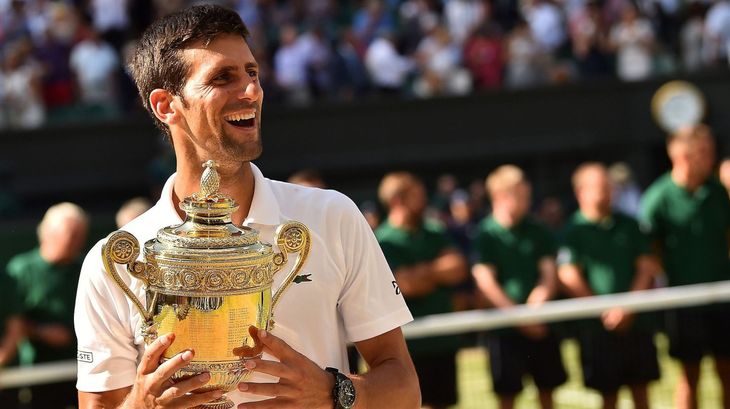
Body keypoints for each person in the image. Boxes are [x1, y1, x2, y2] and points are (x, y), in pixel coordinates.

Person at [74, 5, 419, 409]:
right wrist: (142, 405)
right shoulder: (109, 262)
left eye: (252, 73)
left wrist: (334, 393)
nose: (252, 91)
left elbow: (404, 389)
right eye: (223, 77)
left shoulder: (332, 216)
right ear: (166, 105)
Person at [640, 124, 730, 409]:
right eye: (704, 152)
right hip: (682, 302)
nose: (711, 158)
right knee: (689, 375)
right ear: (683, 156)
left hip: (722, 298)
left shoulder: (717, 192)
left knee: (728, 372)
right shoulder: (659, 198)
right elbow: (648, 253)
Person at [558, 163, 660, 409]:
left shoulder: (630, 225)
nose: (606, 192)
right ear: (581, 191)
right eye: (600, 187)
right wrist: (603, 310)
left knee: (641, 391)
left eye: (609, 186)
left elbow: (647, 267)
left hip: (636, 324)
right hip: (598, 329)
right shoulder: (573, 231)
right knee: (608, 395)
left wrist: (628, 307)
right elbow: (569, 274)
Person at [471, 165, 566, 409]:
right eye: (521, 196)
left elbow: (548, 275)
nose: (527, 202)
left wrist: (538, 303)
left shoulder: (539, 230)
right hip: (504, 331)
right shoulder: (486, 234)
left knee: (548, 391)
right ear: (501, 196)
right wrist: (518, 316)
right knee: (507, 396)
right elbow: (485, 281)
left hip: (539, 323)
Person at [375, 171, 468, 409]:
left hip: (442, 340)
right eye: (417, 195)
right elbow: (404, 285)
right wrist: (437, 273)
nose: (424, 199)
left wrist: (421, 274)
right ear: (398, 200)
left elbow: (458, 267)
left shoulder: (434, 231)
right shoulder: (382, 240)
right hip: (406, 346)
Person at [4, 202, 89, 408]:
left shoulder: (86, 267)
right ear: (48, 233)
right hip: (38, 374)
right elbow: (14, 322)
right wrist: (41, 332)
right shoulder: (21, 270)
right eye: (70, 233)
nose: (75, 241)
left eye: (80, 234)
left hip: (83, 371)